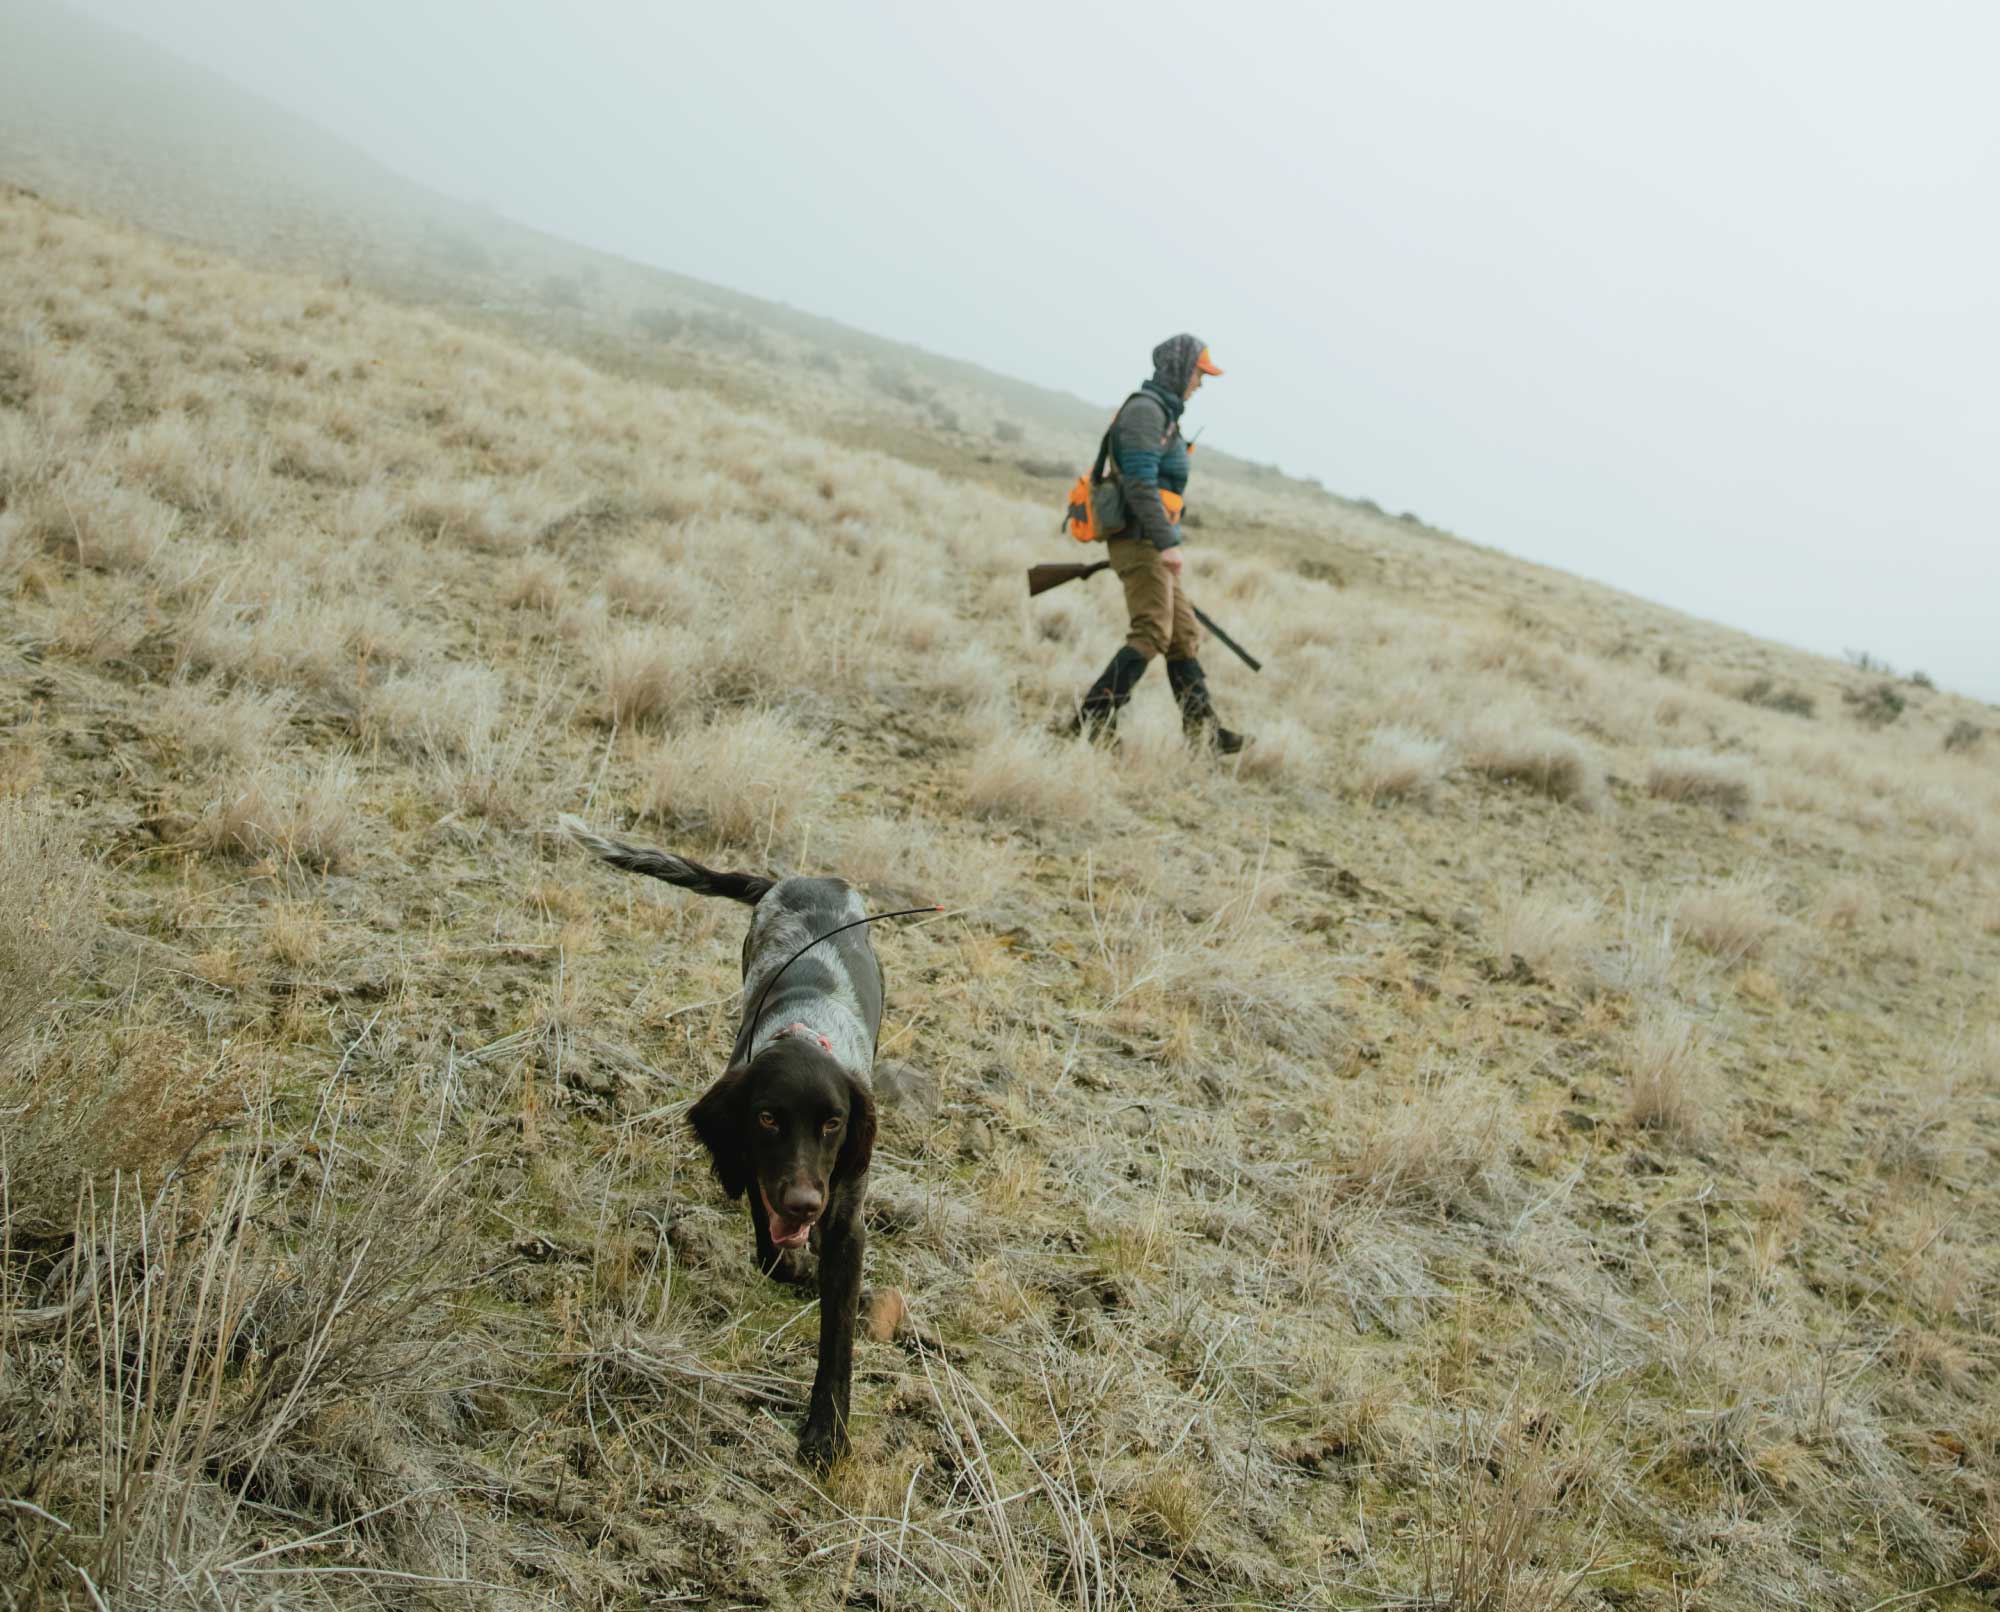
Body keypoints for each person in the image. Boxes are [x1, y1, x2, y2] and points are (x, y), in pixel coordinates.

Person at [1065, 333, 1250, 754]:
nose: (1200, 384)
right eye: (1199, 374)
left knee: (1183, 636)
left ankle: (1205, 738)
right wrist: (1168, 543)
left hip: (1150, 539)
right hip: (1141, 541)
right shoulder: (1147, 413)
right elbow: (1139, 484)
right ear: (1180, 369)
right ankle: (1089, 722)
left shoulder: (1162, 412)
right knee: (1150, 633)